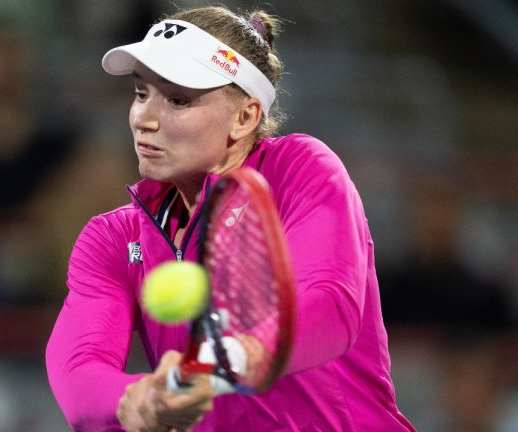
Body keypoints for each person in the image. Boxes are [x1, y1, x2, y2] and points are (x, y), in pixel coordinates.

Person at [46, 5, 415, 431]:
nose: (143, 119)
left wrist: (217, 365)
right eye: (141, 93)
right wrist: (136, 400)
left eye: (178, 100)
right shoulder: (112, 238)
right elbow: (80, 368)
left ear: (245, 117)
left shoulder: (299, 169)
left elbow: (329, 306)